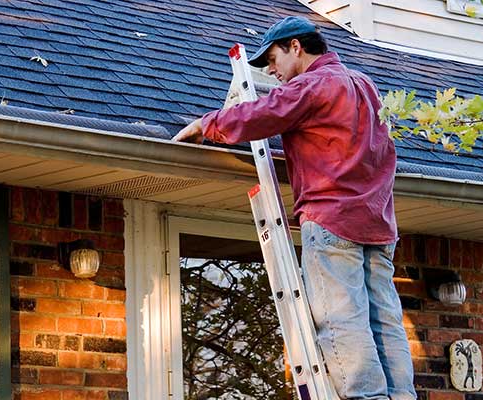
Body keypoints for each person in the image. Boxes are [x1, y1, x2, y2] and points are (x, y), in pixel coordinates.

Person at [173, 15, 416, 400]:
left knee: (341, 318)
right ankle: (400, 394)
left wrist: (208, 124)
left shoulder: (315, 84)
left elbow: (262, 114)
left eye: (273, 59)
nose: (272, 71)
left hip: (332, 219)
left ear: (296, 48)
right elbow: (383, 151)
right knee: (384, 318)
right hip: (377, 222)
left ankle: (365, 396)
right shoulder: (365, 86)